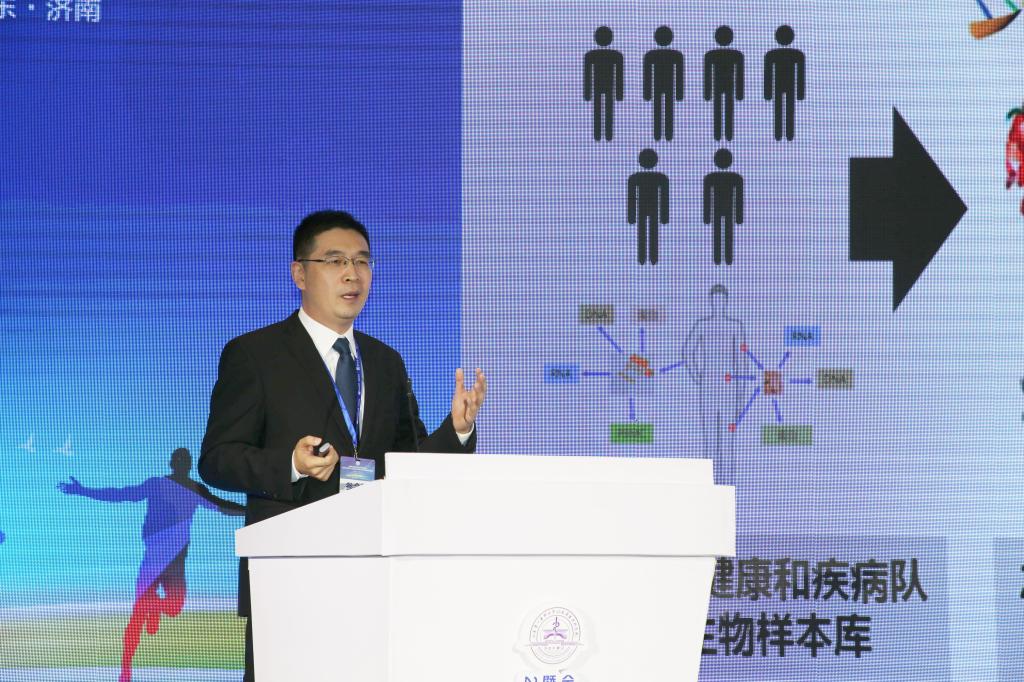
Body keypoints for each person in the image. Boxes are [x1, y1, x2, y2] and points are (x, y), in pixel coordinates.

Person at [198, 210, 487, 681]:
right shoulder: (255, 355)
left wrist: (455, 431)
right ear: (300, 273)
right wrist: (290, 465)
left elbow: (407, 462)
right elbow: (217, 459)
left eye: (362, 261)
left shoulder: (385, 361)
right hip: (288, 578)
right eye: (335, 261)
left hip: (376, 578)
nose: (352, 274)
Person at [58, 448, 244, 682]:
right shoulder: (158, 484)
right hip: (154, 560)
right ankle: (125, 670)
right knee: (138, 615)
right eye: (179, 460)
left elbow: (223, 506)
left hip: (175, 562)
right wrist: (84, 491)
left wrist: (252, 511)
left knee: (173, 608)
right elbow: (122, 494)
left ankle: (154, 607)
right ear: (173, 464)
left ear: (187, 465)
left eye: (184, 461)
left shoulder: (195, 489)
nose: (181, 464)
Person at [683, 285, 746, 485]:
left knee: (727, 444)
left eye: (721, 300)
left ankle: (727, 487)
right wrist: (698, 378)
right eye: (715, 300)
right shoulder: (702, 325)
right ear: (711, 302)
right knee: (710, 442)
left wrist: (740, 397)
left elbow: (741, 362)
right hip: (708, 389)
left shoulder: (735, 326)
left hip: (728, 391)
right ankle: (710, 488)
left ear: (725, 302)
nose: (718, 304)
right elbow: (687, 352)